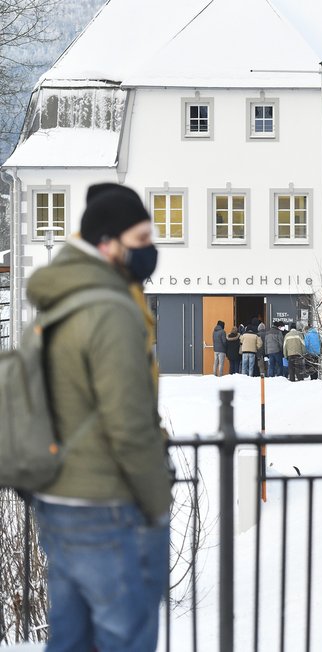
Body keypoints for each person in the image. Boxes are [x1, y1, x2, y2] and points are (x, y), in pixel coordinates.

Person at [25, 184, 172, 652]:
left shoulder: (61, 299)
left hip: (59, 499)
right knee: (125, 637)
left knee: (70, 639)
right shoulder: (111, 311)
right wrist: (157, 502)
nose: (151, 249)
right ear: (109, 244)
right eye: (142, 237)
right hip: (105, 504)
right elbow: (128, 424)